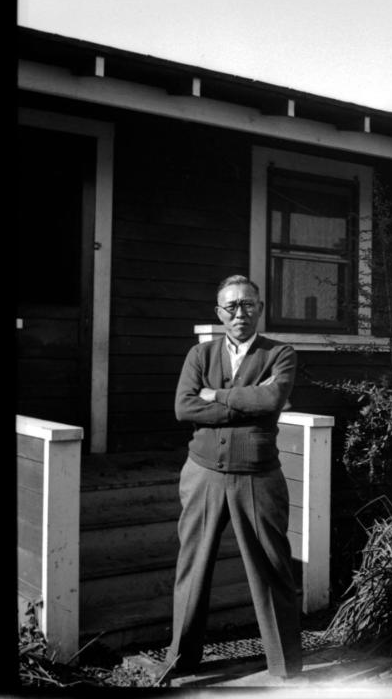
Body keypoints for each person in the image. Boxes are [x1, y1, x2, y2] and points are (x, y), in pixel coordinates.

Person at [141, 275, 303, 685]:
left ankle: (285, 668)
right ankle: (182, 660)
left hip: (257, 476)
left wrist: (216, 395)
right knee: (192, 567)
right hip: (203, 475)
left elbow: (272, 399)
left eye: (248, 304)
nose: (239, 313)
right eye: (230, 306)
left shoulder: (280, 353)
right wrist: (244, 402)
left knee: (271, 567)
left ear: (260, 309)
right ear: (218, 313)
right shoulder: (200, 354)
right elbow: (184, 407)